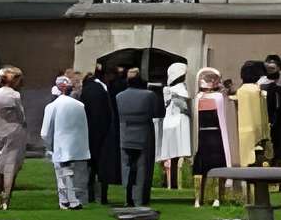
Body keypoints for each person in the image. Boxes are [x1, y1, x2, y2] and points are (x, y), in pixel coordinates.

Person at [40, 74, 95, 209]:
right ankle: (71, 199)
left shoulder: (52, 106)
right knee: (75, 176)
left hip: (60, 147)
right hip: (79, 147)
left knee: (63, 175)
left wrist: (49, 147)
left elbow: (45, 133)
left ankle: (68, 200)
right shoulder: (80, 105)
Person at [112, 64, 160, 208]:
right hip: (144, 134)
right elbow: (157, 112)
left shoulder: (119, 96)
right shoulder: (149, 95)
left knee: (126, 167)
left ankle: (127, 198)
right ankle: (139, 199)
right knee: (142, 168)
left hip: (125, 134)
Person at [0, 68, 32, 212]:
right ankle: (5, 199)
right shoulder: (14, 95)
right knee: (10, 165)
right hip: (14, 131)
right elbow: (21, 115)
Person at [190, 68, 230, 208]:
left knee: (206, 166)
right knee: (212, 166)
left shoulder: (201, 98)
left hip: (207, 136)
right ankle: (213, 198)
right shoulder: (213, 97)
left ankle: (202, 199)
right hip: (211, 136)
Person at [81, 62, 119, 206]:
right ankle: (99, 196)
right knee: (101, 167)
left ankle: (91, 194)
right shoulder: (99, 90)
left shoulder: (89, 88)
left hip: (91, 132)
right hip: (100, 133)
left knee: (92, 167)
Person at [158, 63, 197, 193]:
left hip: (169, 122)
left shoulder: (168, 90)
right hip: (180, 121)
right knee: (181, 154)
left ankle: (171, 183)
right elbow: (185, 106)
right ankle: (178, 183)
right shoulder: (180, 89)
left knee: (171, 155)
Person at [260, 55, 281, 166]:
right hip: (265, 117)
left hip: (280, 117)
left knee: (280, 145)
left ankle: (279, 164)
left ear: (279, 67)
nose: (270, 71)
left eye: (272, 68)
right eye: (268, 68)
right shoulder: (261, 81)